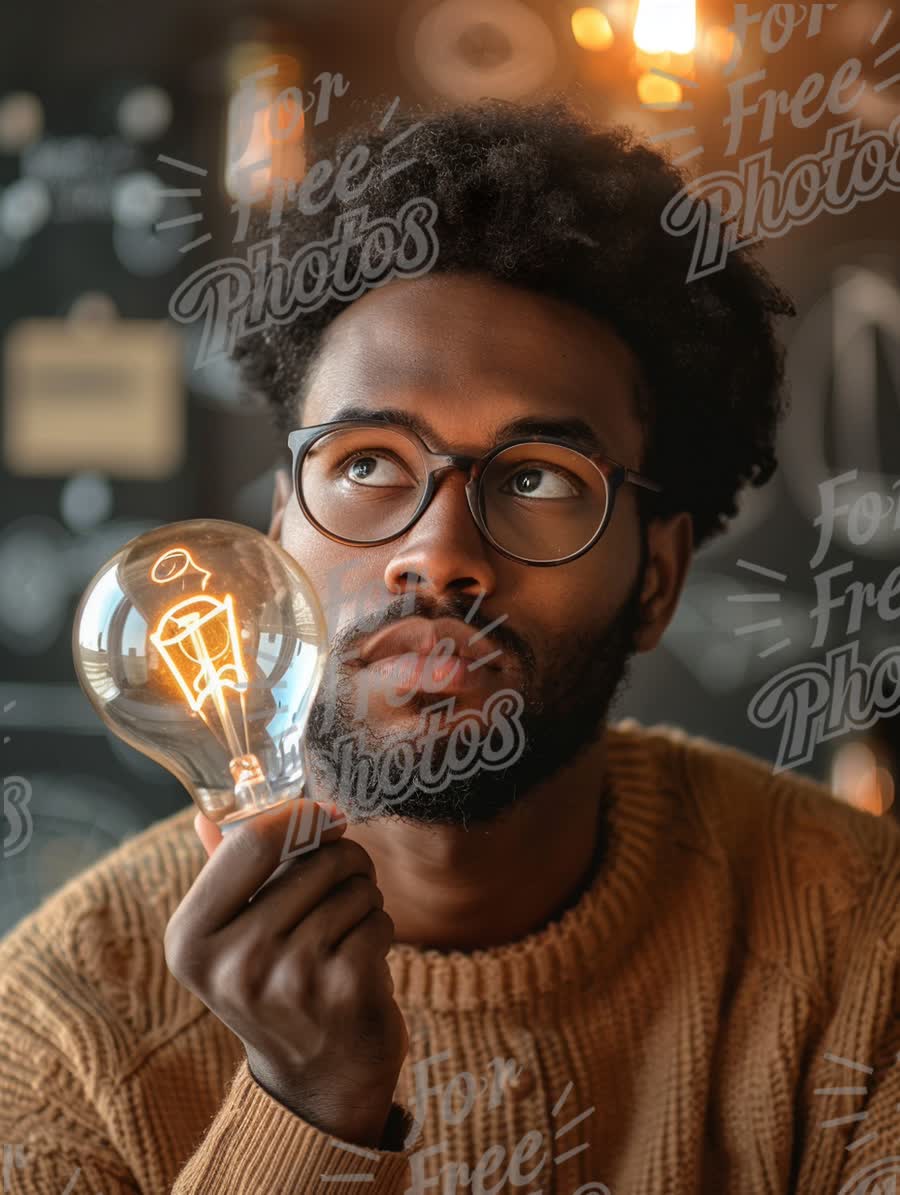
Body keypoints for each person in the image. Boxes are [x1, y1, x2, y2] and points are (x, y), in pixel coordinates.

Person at [1, 97, 897, 1195]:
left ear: (656, 578)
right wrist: (306, 1110)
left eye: (537, 480)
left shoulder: (863, 948)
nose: (438, 554)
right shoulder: (55, 1039)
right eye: (369, 463)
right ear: (280, 527)